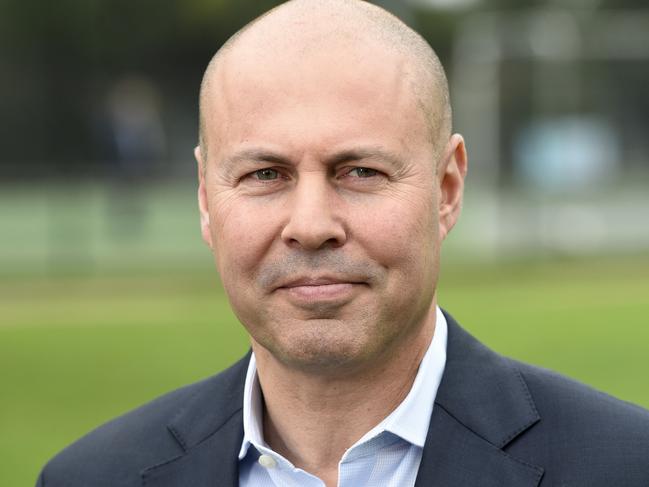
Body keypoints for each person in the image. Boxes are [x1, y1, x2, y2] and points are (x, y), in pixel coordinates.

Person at [36, 1, 649, 486]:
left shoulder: (626, 467)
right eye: (264, 175)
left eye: (359, 171)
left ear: (447, 188)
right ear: (205, 199)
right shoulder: (92, 477)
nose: (310, 224)